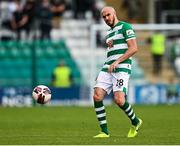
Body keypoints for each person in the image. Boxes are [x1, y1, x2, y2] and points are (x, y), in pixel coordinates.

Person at [93, 6, 142, 138]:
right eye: (104, 17)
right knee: (97, 95)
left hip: (122, 67)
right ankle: (104, 131)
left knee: (119, 100)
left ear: (114, 13)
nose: (106, 18)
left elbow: (133, 48)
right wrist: (102, 70)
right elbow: (111, 55)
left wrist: (117, 62)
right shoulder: (109, 33)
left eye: (108, 15)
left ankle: (136, 121)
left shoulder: (125, 27)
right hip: (108, 67)